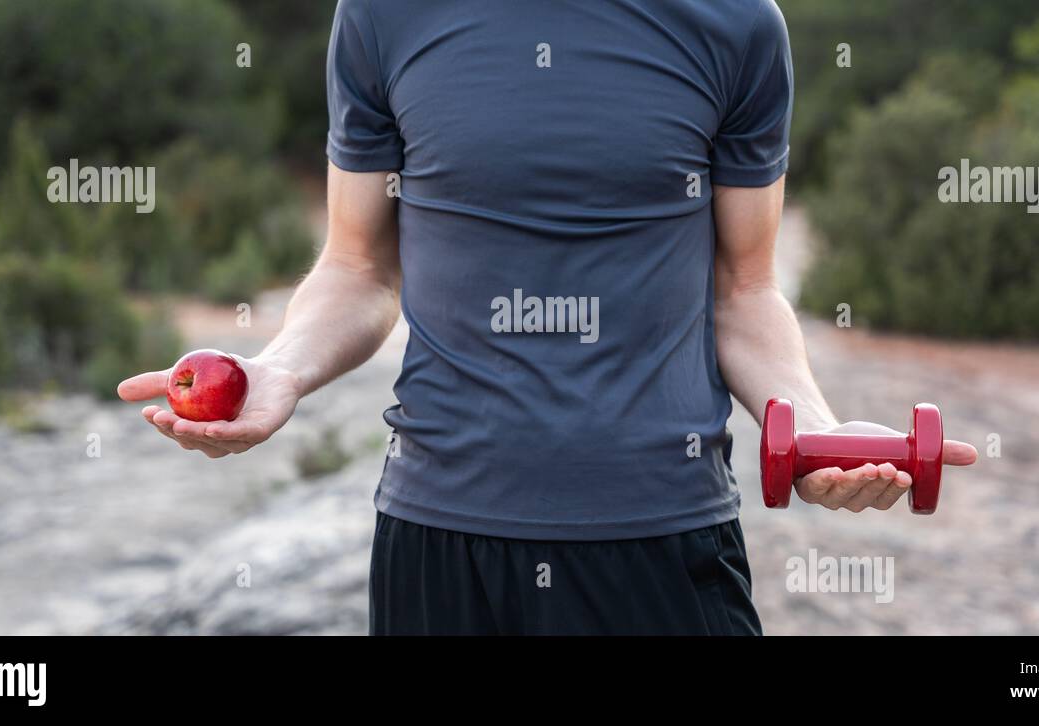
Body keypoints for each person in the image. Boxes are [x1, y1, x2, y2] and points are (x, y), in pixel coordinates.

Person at [118, 0, 978, 635]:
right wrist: (280, 370)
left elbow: (743, 290)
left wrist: (817, 431)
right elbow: (358, 264)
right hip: (441, 539)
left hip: (660, 538)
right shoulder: (383, 17)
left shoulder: (738, 27)